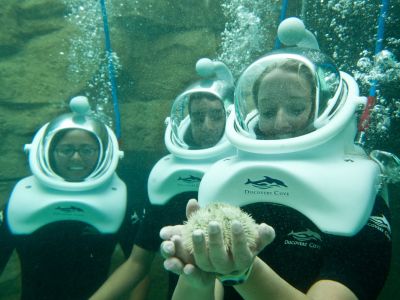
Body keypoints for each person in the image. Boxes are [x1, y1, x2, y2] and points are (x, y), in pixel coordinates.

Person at [160, 46, 393, 299]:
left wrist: (244, 272)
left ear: (326, 112)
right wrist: (198, 277)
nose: (280, 123)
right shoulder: (234, 186)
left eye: (296, 109)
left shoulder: (359, 201)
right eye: (268, 112)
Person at [90, 58, 235, 299]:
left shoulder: (243, 174)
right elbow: (137, 263)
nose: (206, 125)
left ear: (230, 116)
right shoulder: (168, 178)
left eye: (216, 116)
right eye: (198, 117)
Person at [0, 96, 140, 300]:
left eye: (87, 150)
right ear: (49, 151)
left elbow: (138, 264)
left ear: (103, 153)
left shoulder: (120, 200)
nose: (76, 158)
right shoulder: (20, 199)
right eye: (66, 150)